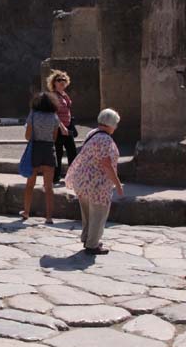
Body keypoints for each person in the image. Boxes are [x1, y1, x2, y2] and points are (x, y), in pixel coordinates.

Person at [65, 108, 123, 255]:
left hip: (82, 180)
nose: (116, 127)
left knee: (87, 213)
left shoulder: (93, 133)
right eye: (115, 124)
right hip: (97, 183)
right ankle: (92, 244)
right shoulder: (105, 139)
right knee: (98, 213)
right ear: (110, 124)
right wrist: (117, 183)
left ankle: (87, 238)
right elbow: (106, 164)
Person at [20, 92, 60, 224]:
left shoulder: (33, 115)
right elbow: (54, 138)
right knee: (48, 187)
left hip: (35, 149)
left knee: (30, 184)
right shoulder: (54, 117)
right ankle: (49, 216)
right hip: (49, 150)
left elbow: (27, 136)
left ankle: (26, 211)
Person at [47, 69, 76, 185]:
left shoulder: (64, 95)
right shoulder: (53, 95)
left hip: (67, 127)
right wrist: (62, 127)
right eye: (59, 80)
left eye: (64, 80)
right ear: (54, 82)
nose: (62, 82)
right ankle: (55, 178)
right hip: (58, 129)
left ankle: (72, 177)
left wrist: (68, 126)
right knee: (58, 153)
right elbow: (53, 113)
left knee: (72, 152)